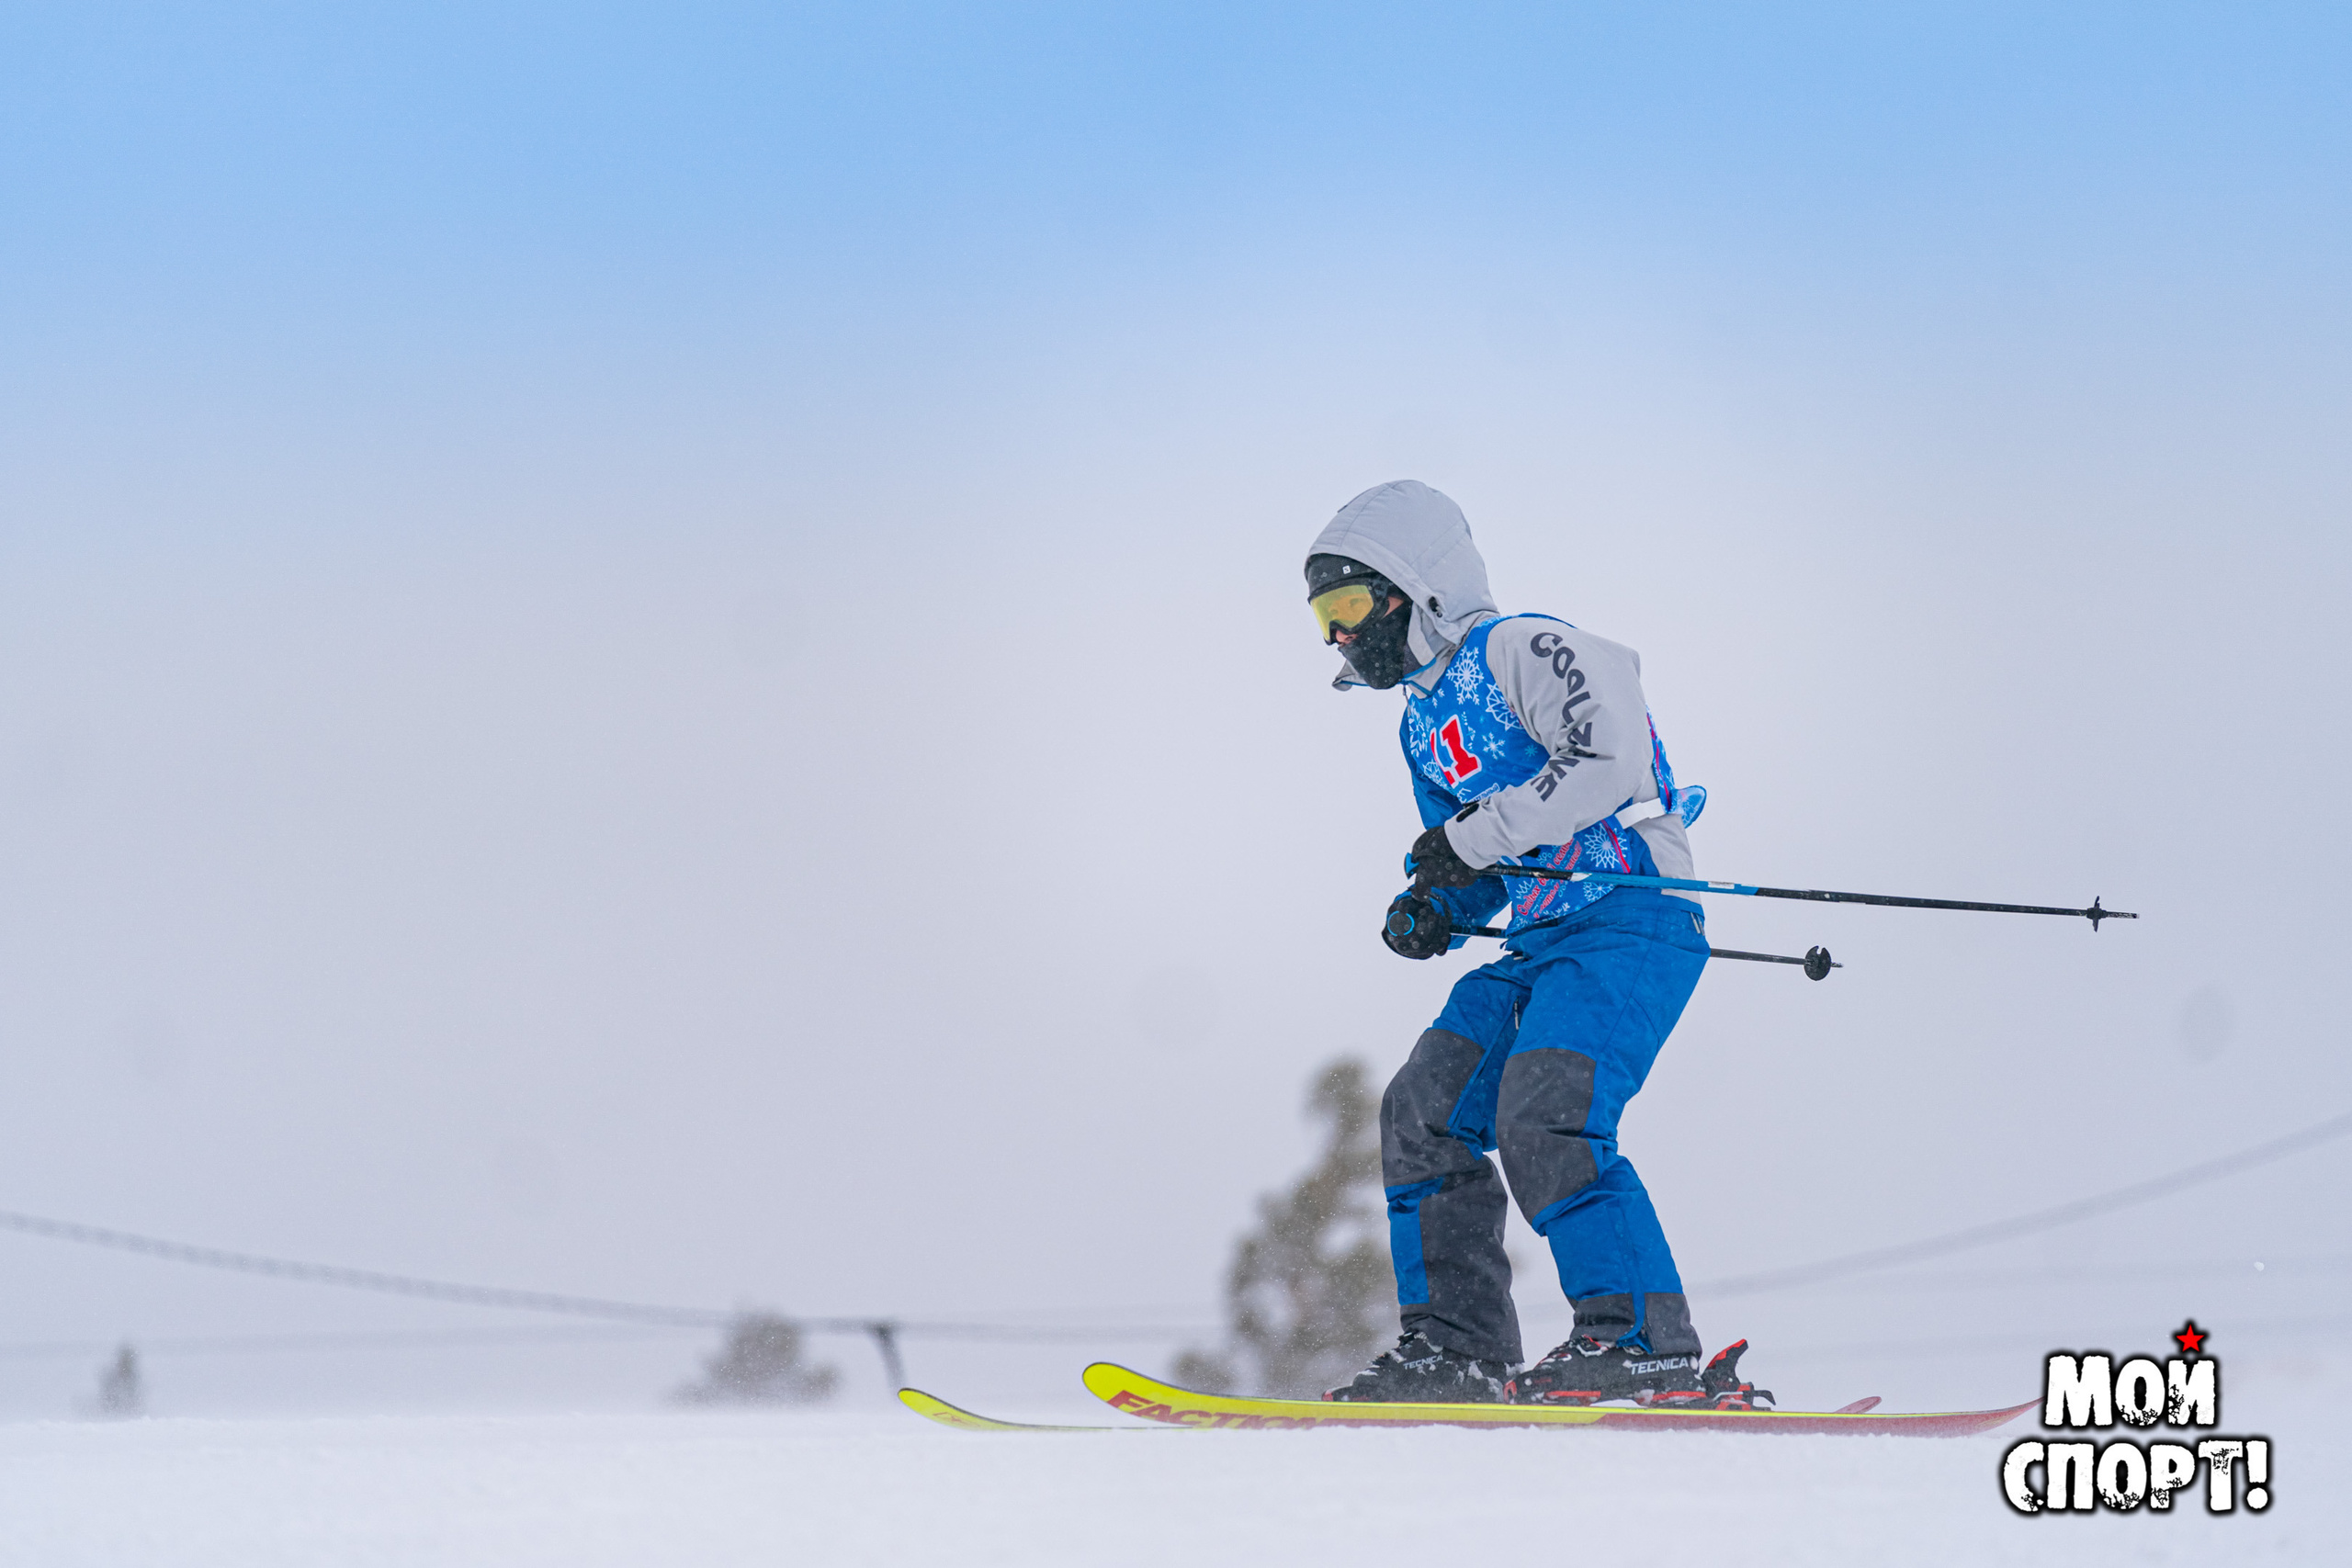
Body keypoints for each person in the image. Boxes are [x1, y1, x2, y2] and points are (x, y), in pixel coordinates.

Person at [1305, 479, 1764, 1409]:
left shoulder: (1519, 648)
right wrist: (1439, 901)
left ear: (1415, 587)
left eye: (1349, 604)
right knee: (1424, 1110)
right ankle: (1457, 1350)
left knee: (1546, 1110)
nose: (1339, 635)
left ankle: (1640, 1341)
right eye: (1324, 618)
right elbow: (1478, 850)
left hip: (1630, 916)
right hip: (1541, 934)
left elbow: (1608, 758)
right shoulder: (1421, 721)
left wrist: (1467, 842)